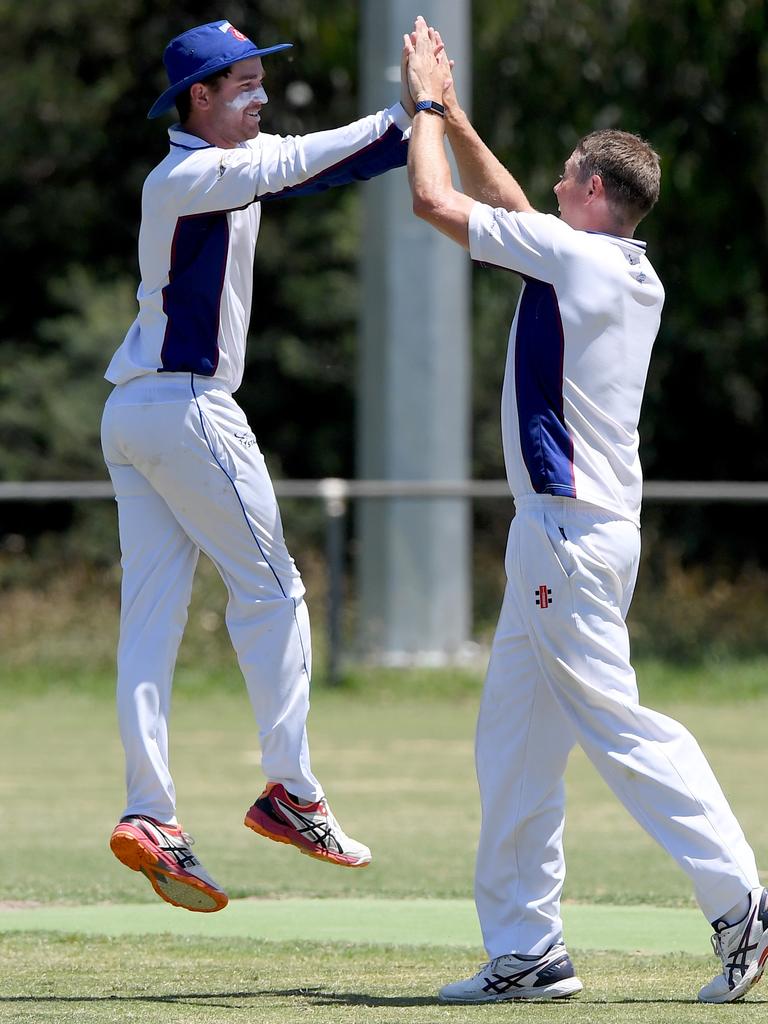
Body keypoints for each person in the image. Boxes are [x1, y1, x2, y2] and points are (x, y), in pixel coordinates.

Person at [403, 16, 767, 1005]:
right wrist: (456, 110)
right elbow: (508, 198)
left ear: (596, 191)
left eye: (569, 175)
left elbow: (436, 198)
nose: (554, 184)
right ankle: (529, 950)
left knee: (620, 726)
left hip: (566, 532)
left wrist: (426, 109)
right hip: (575, 534)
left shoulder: (578, 261)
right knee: (514, 747)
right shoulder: (604, 263)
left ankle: (745, 902)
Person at [101, 18, 420, 914]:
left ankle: (149, 813)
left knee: (152, 623)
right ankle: (291, 791)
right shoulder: (187, 172)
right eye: (243, 83)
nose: (262, 96)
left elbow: (323, 162)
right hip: (186, 405)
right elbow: (288, 164)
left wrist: (410, 127)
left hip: (135, 411)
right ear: (196, 98)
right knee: (274, 590)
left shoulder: (212, 166)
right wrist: (409, 109)